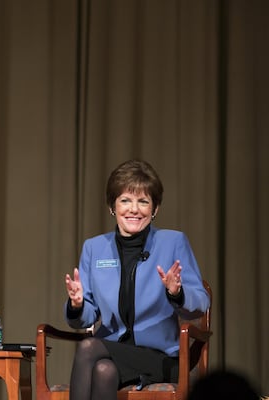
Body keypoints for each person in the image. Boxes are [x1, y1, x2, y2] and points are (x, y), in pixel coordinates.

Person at [64, 159, 210, 400]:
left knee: (88, 346)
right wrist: (77, 305)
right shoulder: (94, 248)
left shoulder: (172, 243)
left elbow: (201, 303)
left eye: (143, 201)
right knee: (103, 371)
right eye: (125, 200)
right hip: (112, 354)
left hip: (160, 357)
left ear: (154, 209)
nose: (134, 209)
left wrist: (177, 293)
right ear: (113, 206)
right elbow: (86, 318)